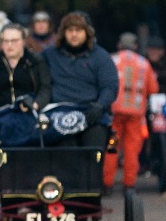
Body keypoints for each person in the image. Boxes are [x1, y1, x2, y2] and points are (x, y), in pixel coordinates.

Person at [42, 12, 118, 147]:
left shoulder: (101, 57)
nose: (74, 34)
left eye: (79, 30)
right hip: (59, 112)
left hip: (91, 111)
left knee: (94, 153)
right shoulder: (49, 55)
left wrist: (100, 105)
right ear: (63, 33)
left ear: (87, 33)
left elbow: (110, 86)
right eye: (70, 30)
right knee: (65, 155)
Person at [102, 33, 159, 191]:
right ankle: (129, 184)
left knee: (112, 147)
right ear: (135, 46)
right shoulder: (144, 63)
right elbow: (153, 89)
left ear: (119, 45)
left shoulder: (111, 60)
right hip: (135, 115)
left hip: (115, 114)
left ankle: (107, 183)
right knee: (132, 149)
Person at [0, 23, 52, 116]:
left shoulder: (35, 61)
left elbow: (45, 88)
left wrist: (36, 104)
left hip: (29, 114)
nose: (9, 45)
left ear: (23, 41)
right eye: (6, 41)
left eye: (14, 41)